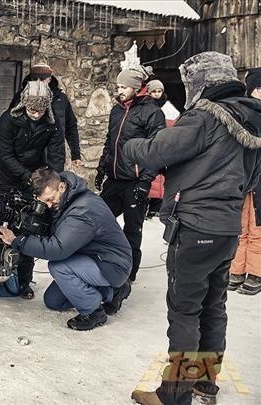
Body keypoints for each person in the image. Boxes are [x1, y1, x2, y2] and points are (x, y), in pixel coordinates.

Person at [124, 52, 261, 405]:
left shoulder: (206, 117)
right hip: (228, 228)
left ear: (200, 82)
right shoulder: (252, 119)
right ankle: (204, 385)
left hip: (197, 225)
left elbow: (157, 151)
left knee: (185, 312)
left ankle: (175, 394)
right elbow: (253, 179)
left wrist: (130, 146)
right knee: (214, 307)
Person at [0, 168, 132, 331]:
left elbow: (58, 249)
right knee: (53, 301)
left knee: (58, 267)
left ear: (61, 187)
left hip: (113, 264)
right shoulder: (67, 200)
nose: (48, 205)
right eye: (44, 201)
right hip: (92, 257)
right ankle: (113, 292)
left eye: (50, 199)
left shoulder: (83, 209)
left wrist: (17, 241)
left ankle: (94, 312)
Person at [0, 81, 65, 299]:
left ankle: (24, 281)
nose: (36, 114)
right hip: (9, 175)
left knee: (29, 226)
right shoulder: (8, 121)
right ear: (24, 105)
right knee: (4, 220)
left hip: (36, 176)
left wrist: (51, 180)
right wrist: (27, 176)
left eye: (41, 110)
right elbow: (5, 155)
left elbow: (56, 155)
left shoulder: (52, 124)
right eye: (32, 109)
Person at [95, 68, 166, 284]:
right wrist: (101, 167)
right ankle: (101, 260)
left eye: (123, 87)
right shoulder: (117, 109)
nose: (120, 91)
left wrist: (145, 182)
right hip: (115, 179)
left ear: (136, 88)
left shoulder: (151, 112)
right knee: (98, 220)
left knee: (132, 230)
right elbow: (110, 141)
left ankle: (129, 273)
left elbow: (157, 150)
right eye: (118, 87)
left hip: (135, 182)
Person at [9, 63, 81, 167]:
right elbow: (11, 127)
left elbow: (71, 126)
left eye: (42, 79)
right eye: (35, 79)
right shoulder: (21, 98)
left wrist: (76, 154)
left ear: (50, 79)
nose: (39, 82)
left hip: (54, 158)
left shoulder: (61, 99)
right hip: (28, 160)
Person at [228, 67, 261, 295]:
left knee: (257, 227)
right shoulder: (242, 112)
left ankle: (256, 272)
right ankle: (237, 269)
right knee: (240, 226)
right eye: (258, 88)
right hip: (245, 177)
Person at [145, 79, 180, 218]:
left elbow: (175, 127)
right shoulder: (145, 107)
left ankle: (157, 207)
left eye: (159, 91)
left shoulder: (169, 109)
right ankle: (148, 206)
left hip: (164, 146)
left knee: (161, 179)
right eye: (154, 91)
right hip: (149, 145)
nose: (157, 94)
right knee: (150, 178)